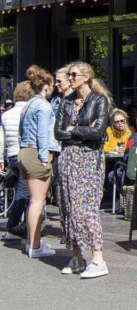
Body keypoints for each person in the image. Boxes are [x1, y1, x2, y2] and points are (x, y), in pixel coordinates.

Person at [55, 61, 112, 278]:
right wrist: (80, 131)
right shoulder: (66, 102)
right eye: (69, 75)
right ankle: (77, 257)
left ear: (86, 77)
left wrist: (73, 129)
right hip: (68, 157)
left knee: (85, 208)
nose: (70, 78)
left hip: (89, 158)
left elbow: (97, 132)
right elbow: (58, 132)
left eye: (74, 75)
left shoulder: (99, 101)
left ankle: (98, 259)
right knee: (67, 207)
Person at [18, 66, 56, 258]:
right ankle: (35, 245)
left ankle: (33, 243)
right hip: (35, 153)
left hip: (24, 151)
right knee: (38, 201)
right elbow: (43, 134)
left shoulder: (28, 105)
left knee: (33, 200)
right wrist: (44, 159)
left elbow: (21, 131)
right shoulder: (44, 106)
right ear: (47, 85)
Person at [3, 81, 33, 239]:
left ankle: (23, 225)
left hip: (12, 155)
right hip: (25, 154)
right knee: (24, 193)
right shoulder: (29, 111)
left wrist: (2, 157)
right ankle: (13, 227)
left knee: (24, 191)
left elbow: (2, 138)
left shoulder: (7, 114)